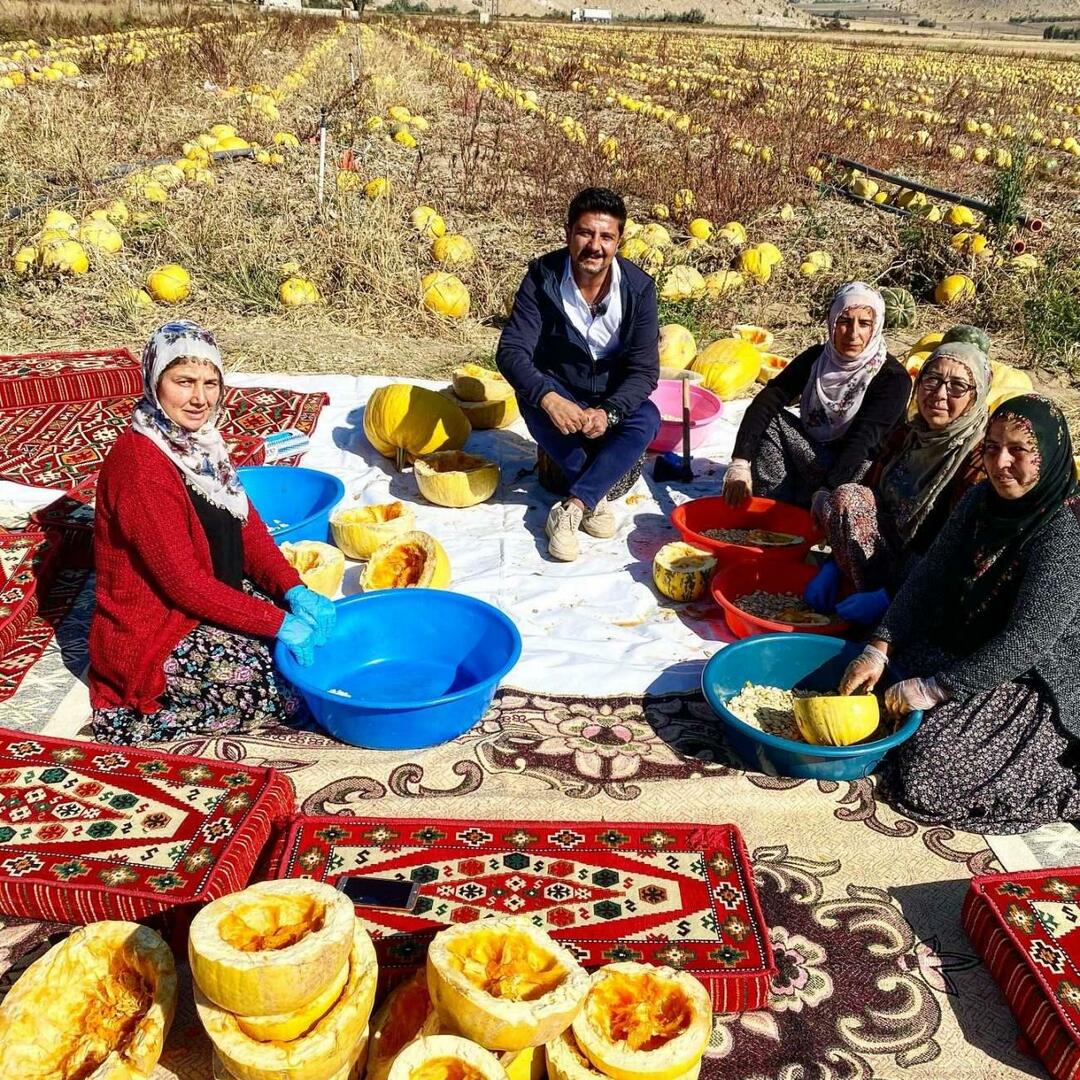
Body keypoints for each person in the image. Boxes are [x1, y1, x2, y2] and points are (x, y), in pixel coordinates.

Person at [841, 394, 1080, 834]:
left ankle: (1065, 776)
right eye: (990, 447)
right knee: (871, 696)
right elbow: (929, 579)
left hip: (1036, 676)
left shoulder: (1063, 532)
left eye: (1018, 451)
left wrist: (936, 689)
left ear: (1048, 455)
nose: (1000, 462)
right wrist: (879, 645)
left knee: (928, 773)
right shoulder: (979, 502)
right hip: (968, 639)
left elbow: (1027, 641)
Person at [88, 320, 335, 745]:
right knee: (285, 689)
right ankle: (133, 718)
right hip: (157, 627)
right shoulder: (141, 466)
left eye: (210, 383)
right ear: (154, 382)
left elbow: (247, 528)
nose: (199, 398)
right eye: (183, 382)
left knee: (321, 651)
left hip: (208, 593)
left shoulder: (201, 446)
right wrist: (277, 622)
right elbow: (184, 584)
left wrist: (292, 589)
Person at [496, 187, 660, 562]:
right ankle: (594, 497)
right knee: (529, 396)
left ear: (619, 241)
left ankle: (573, 505)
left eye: (606, 236)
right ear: (568, 232)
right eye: (586, 233)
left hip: (609, 395)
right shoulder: (542, 277)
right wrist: (549, 397)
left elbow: (644, 370)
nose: (594, 246)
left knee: (647, 417)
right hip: (560, 388)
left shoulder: (638, 289)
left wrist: (610, 412)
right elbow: (511, 350)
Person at [805, 341, 989, 625]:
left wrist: (889, 597)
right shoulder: (908, 434)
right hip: (886, 552)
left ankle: (893, 614)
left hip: (931, 571)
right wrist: (832, 564)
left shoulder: (978, 463)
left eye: (957, 387)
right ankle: (851, 585)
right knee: (844, 496)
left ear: (975, 397)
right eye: (932, 380)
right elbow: (868, 490)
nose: (939, 395)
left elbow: (955, 549)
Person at [723, 282, 911, 511]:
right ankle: (774, 510)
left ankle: (820, 510)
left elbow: (863, 441)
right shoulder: (817, 359)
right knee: (772, 420)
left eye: (864, 324)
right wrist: (740, 462)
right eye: (844, 321)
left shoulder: (893, 378)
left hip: (862, 471)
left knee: (858, 477)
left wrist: (827, 490)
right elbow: (767, 401)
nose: (853, 333)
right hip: (818, 458)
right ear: (831, 322)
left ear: (876, 327)